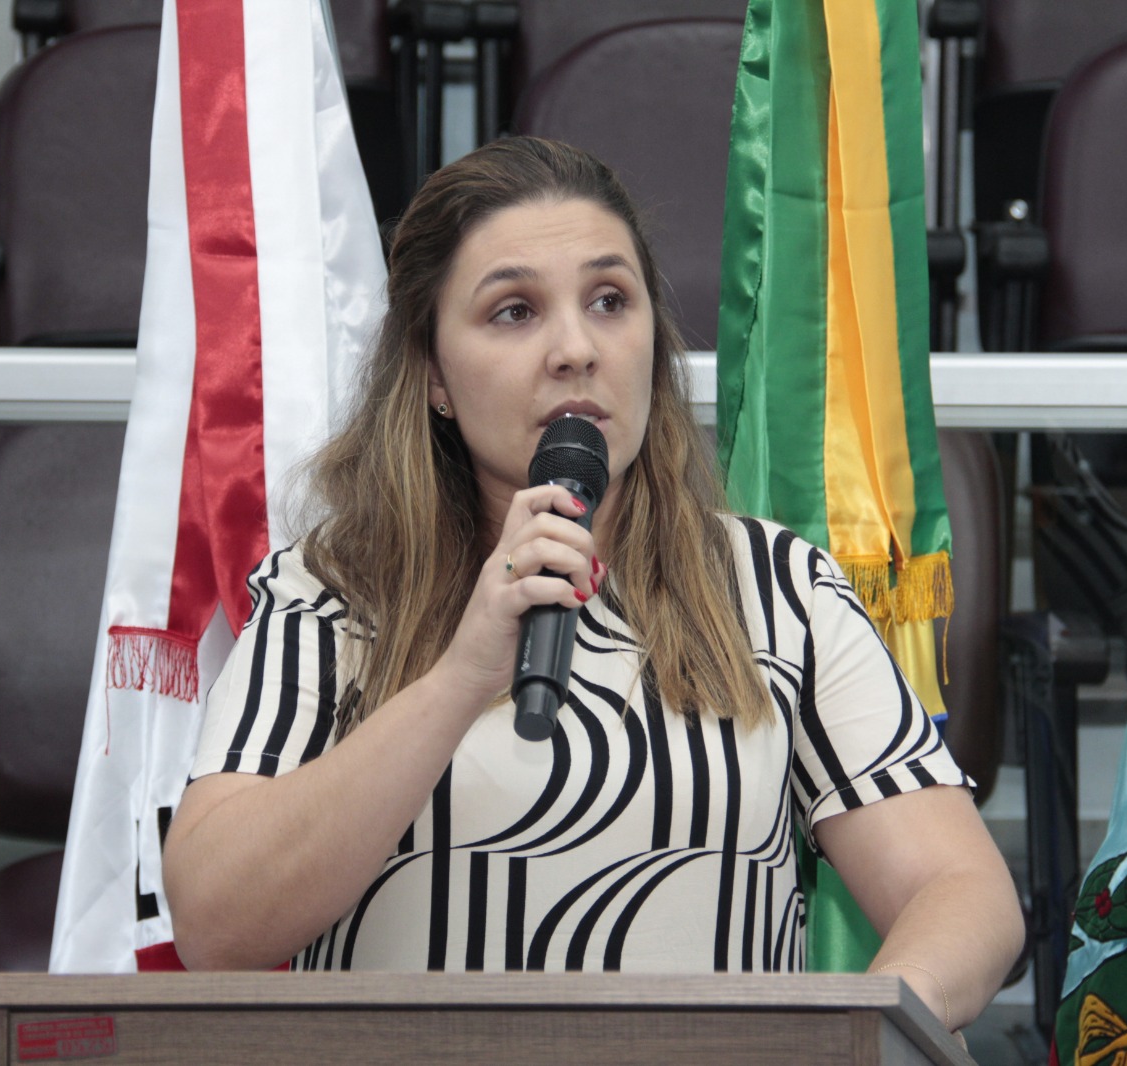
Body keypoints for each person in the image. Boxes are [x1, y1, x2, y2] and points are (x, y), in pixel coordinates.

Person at [162, 136, 1022, 1032]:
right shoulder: (331, 591)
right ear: (433, 375)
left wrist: (858, 1040)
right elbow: (215, 922)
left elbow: (961, 892)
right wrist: (459, 679)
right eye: (514, 311)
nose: (576, 348)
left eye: (610, 300)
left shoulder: (779, 591)